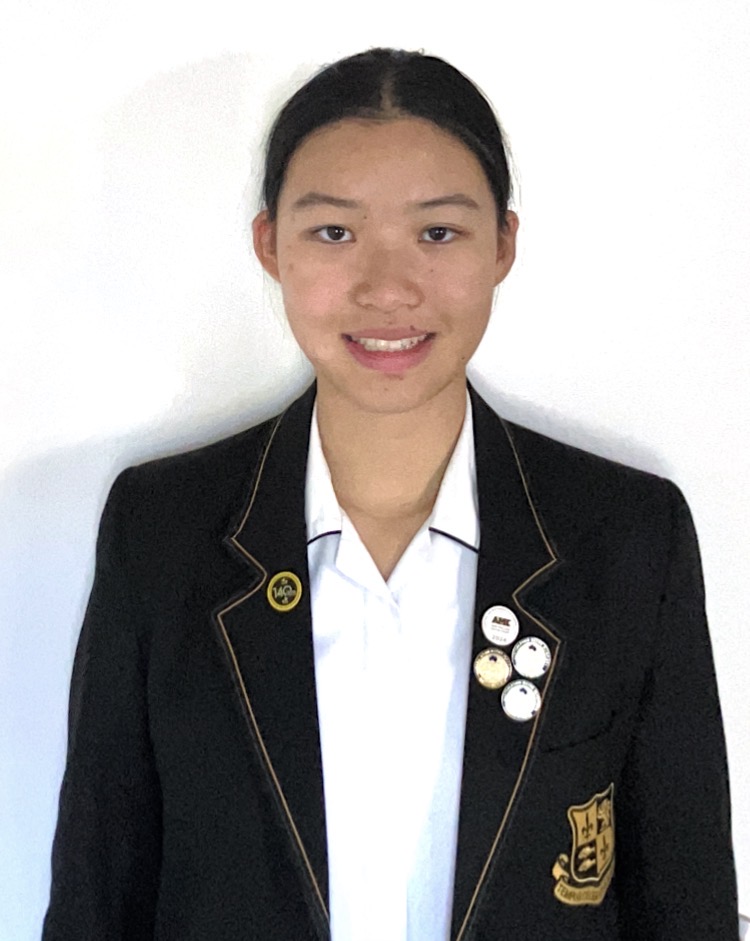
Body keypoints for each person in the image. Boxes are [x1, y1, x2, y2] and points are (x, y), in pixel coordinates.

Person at [43, 47, 738, 940]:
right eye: (334, 233)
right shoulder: (163, 532)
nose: (386, 289)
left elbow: (686, 902)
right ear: (270, 245)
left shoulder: (628, 538)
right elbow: (97, 892)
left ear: (503, 244)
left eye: (437, 233)